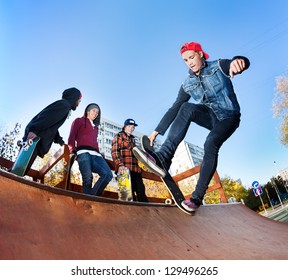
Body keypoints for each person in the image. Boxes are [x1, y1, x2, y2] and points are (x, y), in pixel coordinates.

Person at [133, 41, 250, 212]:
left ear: (201, 54)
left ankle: (196, 198)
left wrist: (240, 61)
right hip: (210, 117)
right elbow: (174, 109)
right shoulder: (187, 84)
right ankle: (164, 157)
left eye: (192, 57)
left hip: (229, 117)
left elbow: (238, 62)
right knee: (185, 107)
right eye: (186, 60)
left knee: (210, 143)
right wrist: (155, 132)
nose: (190, 62)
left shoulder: (219, 66)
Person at [13, 87, 82, 175]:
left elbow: (52, 126)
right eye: (79, 100)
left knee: (21, 169)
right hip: (34, 138)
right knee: (19, 169)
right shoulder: (64, 105)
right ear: (74, 97)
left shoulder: (64, 106)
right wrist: (34, 130)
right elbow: (46, 117)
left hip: (36, 138)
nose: (79, 103)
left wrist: (60, 141)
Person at [68, 103, 113, 196]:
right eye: (94, 111)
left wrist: (100, 153)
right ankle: (90, 200)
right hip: (83, 153)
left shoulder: (96, 128)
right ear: (88, 111)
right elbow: (72, 136)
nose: (96, 113)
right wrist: (72, 150)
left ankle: (90, 197)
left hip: (96, 155)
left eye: (97, 112)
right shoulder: (78, 121)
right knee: (88, 178)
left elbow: (94, 142)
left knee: (108, 174)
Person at [111, 119, 148, 202]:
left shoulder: (133, 140)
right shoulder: (119, 136)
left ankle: (145, 213)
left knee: (141, 193)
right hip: (125, 170)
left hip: (135, 170)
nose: (131, 128)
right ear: (125, 127)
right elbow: (114, 151)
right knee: (129, 197)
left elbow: (137, 155)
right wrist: (120, 165)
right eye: (129, 126)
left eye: (133, 127)